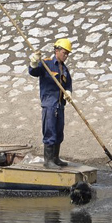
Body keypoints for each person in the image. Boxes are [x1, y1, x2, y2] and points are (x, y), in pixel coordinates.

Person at [28, 38, 73, 169]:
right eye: (64, 53)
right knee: (50, 131)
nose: (66, 56)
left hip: (60, 104)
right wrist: (34, 62)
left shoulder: (64, 69)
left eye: (67, 54)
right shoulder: (46, 64)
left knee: (59, 131)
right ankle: (48, 161)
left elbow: (68, 84)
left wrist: (68, 92)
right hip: (49, 104)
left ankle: (55, 158)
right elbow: (34, 72)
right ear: (57, 51)